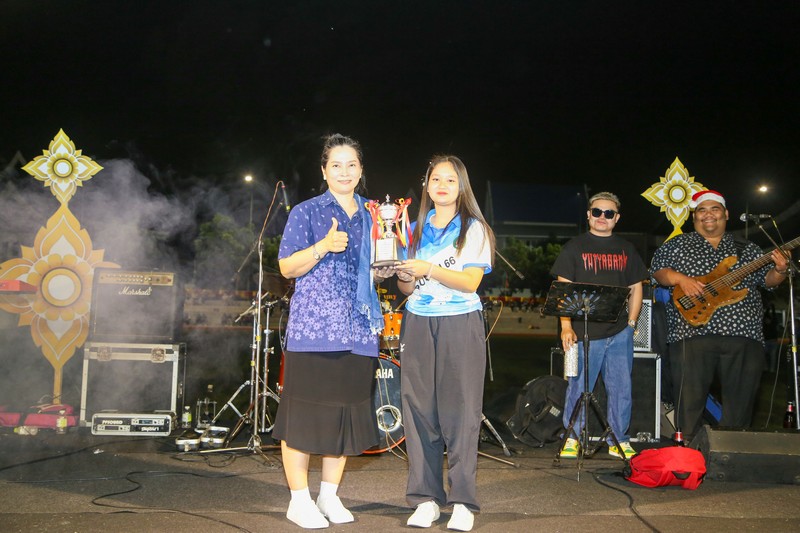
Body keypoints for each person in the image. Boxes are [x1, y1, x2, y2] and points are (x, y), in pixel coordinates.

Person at [274, 133, 384, 529]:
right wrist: (322, 246)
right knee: (302, 418)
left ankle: (329, 495)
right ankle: (298, 499)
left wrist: (386, 268)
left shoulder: (376, 215)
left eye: (351, 164)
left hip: (359, 329)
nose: (344, 172)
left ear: (361, 170)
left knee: (344, 415)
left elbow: (383, 264)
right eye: (336, 165)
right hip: (314, 329)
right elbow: (286, 267)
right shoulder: (306, 212)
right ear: (324, 171)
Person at [393, 155, 494, 532]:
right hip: (418, 322)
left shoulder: (474, 228)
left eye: (450, 180)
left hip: (459, 322)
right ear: (426, 184)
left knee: (461, 413)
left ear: (461, 186)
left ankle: (463, 501)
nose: (442, 185)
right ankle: (426, 499)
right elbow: (406, 287)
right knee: (419, 412)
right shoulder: (411, 229)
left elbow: (470, 282)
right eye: (436, 179)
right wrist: (405, 275)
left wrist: (429, 269)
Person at [651, 189, 790, 441]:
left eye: (714, 209)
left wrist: (780, 270)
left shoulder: (747, 248)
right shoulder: (678, 244)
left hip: (743, 334)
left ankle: (732, 450)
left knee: (740, 402)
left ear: (725, 214)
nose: (708, 215)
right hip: (691, 332)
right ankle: (687, 452)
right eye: (701, 210)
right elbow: (658, 271)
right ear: (694, 216)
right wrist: (681, 278)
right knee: (689, 402)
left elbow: (767, 280)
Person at [551, 191, 648, 460]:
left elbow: (636, 288)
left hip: (619, 333)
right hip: (583, 333)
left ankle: (618, 439)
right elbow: (563, 290)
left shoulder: (627, 249)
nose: (602, 217)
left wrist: (631, 323)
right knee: (578, 386)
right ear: (588, 215)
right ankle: (572, 437)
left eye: (608, 213)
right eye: (597, 212)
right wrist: (566, 326)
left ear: (616, 218)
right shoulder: (574, 247)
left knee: (621, 388)